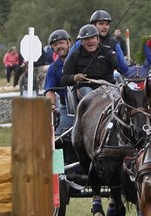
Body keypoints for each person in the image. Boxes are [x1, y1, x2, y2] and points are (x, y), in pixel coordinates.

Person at [61, 24, 122, 99]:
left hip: (109, 86)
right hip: (87, 88)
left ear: (98, 39)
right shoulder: (75, 56)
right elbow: (64, 79)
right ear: (82, 42)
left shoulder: (108, 52)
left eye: (92, 38)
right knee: (90, 95)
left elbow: (119, 66)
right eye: (86, 39)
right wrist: (74, 77)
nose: (90, 41)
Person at [44, 29, 76, 163]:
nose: (59, 47)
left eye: (61, 43)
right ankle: (57, 171)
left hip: (86, 104)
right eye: (55, 45)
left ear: (69, 43)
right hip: (66, 107)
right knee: (58, 138)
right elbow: (49, 90)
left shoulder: (79, 61)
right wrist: (52, 106)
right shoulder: (53, 68)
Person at [68, 10, 129, 76]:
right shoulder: (81, 42)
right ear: (93, 25)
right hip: (84, 82)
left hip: (108, 83)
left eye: (107, 24)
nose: (104, 27)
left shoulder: (113, 43)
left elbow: (124, 68)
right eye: (101, 24)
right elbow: (68, 65)